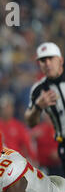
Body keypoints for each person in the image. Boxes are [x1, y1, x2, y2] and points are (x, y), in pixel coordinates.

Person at [25, 42, 65, 174]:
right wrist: (37, 106)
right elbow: (31, 122)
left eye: (51, 59)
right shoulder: (38, 90)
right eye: (43, 60)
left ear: (60, 60)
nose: (47, 63)